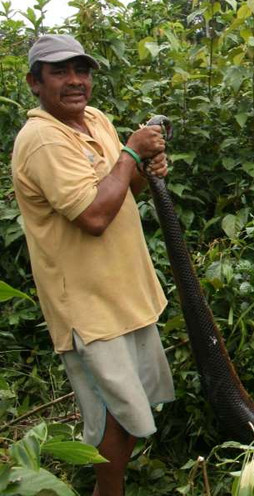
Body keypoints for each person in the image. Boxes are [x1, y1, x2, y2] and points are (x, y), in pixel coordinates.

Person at [11, 34, 173, 495]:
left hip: (125, 297)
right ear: (34, 83)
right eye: (59, 72)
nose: (75, 81)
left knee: (131, 412)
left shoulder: (95, 120)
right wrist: (130, 153)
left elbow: (123, 191)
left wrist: (145, 166)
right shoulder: (42, 139)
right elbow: (95, 216)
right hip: (89, 309)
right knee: (111, 418)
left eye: (81, 70)